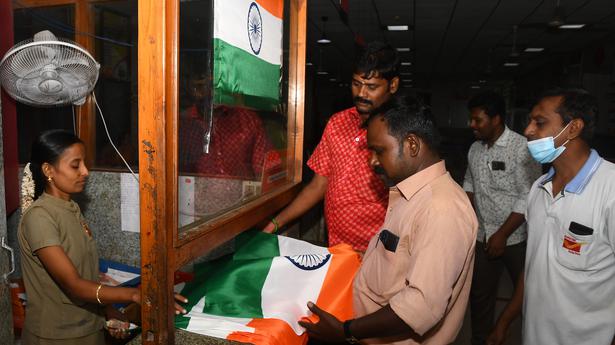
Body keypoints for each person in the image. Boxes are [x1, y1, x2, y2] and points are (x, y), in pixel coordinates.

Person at [298, 97, 478, 344]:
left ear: (412, 145)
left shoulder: (441, 208)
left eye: (379, 151)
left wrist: (346, 331)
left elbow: (419, 308)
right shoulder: (409, 193)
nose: (372, 161)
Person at [18, 130, 186, 344]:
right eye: (75, 165)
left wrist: (108, 311)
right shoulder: (39, 217)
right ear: (48, 170)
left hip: (90, 328)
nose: (85, 171)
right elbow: (74, 285)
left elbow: (86, 273)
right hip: (57, 336)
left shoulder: (71, 208)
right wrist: (134, 295)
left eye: (85, 163)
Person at [487, 88, 615, 345]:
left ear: (573, 128)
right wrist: (505, 320)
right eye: (530, 122)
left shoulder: (610, 188)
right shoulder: (538, 189)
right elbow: (535, 266)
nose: (528, 131)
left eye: (540, 122)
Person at [264, 41, 401, 252]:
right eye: (356, 84)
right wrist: (276, 223)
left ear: (393, 85)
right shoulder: (338, 123)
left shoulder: (401, 130)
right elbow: (319, 185)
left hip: (378, 252)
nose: (361, 93)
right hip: (337, 247)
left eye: (371, 87)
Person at [462, 91, 541, 345]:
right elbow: (469, 182)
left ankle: (522, 335)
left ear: (496, 119)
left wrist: (503, 234)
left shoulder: (522, 149)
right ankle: (481, 340)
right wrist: (468, 216)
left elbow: (527, 195)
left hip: (514, 238)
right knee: (480, 296)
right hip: (483, 235)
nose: (471, 125)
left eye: (478, 120)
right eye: (471, 119)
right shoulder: (475, 149)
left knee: (529, 293)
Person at [178, 75, 277, 180]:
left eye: (215, 86)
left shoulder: (248, 120)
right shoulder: (183, 124)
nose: (210, 92)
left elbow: (268, 170)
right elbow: (178, 176)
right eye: (200, 86)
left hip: (246, 195)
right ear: (191, 90)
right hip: (197, 194)